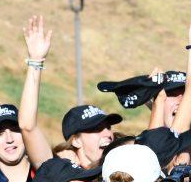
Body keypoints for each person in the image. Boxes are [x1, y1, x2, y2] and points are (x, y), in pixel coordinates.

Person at [17, 15, 122, 170]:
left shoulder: (121, 170)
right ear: (76, 141)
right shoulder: (61, 174)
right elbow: (27, 126)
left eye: (108, 127)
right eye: (96, 129)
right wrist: (35, 61)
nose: (107, 134)